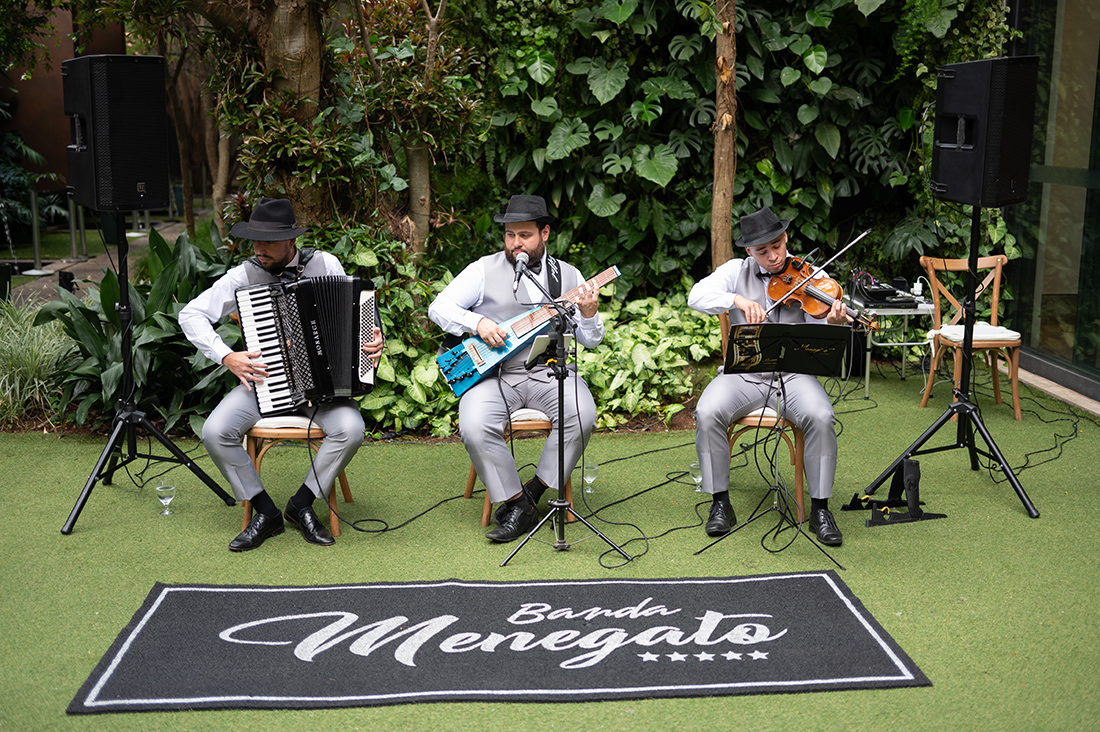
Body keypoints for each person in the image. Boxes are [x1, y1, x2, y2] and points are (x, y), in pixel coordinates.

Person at [179, 197, 384, 552]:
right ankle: (265, 510)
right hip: (265, 381)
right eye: (254, 240)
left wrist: (374, 339)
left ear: (291, 241)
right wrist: (227, 356)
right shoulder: (243, 275)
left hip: (323, 389)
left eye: (268, 241)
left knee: (351, 430)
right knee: (215, 431)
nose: (258, 249)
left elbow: (358, 315)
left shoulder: (325, 264)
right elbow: (191, 314)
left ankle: (302, 503)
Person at [429, 195, 605, 542]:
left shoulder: (568, 275)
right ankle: (513, 499)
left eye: (524, 235)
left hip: (548, 372)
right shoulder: (483, 269)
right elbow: (439, 308)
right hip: (494, 374)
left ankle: (533, 494)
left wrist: (588, 313)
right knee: (475, 425)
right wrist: (477, 322)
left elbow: (591, 340)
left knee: (583, 414)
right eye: (510, 235)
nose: (515, 244)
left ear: (545, 233)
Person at [688, 206, 851, 546]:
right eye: (762, 251)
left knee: (822, 415)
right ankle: (720, 503)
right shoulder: (735, 270)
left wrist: (831, 322)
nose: (774, 256)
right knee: (707, 411)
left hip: (793, 374)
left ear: (785, 237)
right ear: (749, 250)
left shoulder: (808, 275)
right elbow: (696, 296)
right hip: (744, 373)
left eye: (777, 245)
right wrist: (736, 299)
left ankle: (820, 508)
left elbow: (818, 325)